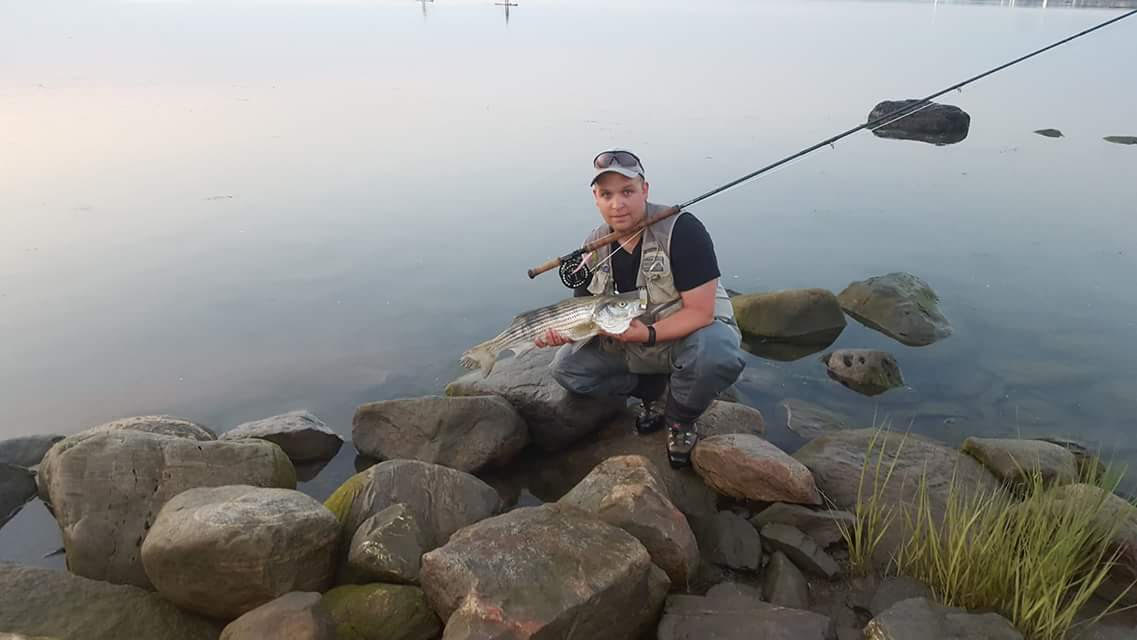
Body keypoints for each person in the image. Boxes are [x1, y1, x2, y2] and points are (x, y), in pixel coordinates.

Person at [534, 149, 746, 468]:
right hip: (630, 340)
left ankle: (680, 422)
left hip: (681, 336)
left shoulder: (683, 231)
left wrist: (646, 334)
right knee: (566, 369)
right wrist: (562, 333)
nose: (617, 204)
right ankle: (654, 392)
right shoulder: (593, 246)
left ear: (645, 190)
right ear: (596, 198)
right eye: (607, 194)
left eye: (627, 192)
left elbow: (701, 312)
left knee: (716, 351)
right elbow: (583, 311)